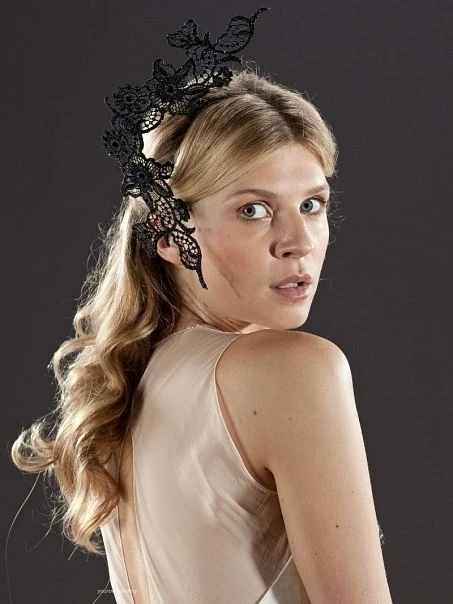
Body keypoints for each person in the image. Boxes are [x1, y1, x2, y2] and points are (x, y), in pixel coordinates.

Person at [10, 9, 392, 604]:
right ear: (168, 232)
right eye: (253, 210)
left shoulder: (131, 387)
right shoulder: (293, 370)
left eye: (312, 205)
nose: (297, 242)